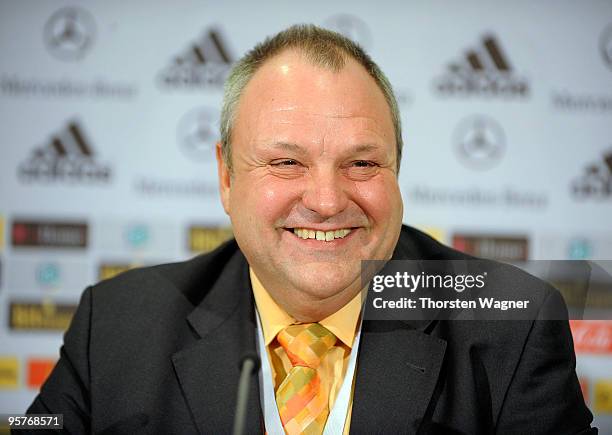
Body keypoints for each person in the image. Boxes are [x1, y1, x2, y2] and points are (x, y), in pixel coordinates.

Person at [26, 24, 595, 434]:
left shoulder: (512, 326)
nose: (326, 201)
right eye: (285, 162)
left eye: (363, 164)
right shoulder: (118, 324)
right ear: (226, 176)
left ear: (398, 168)